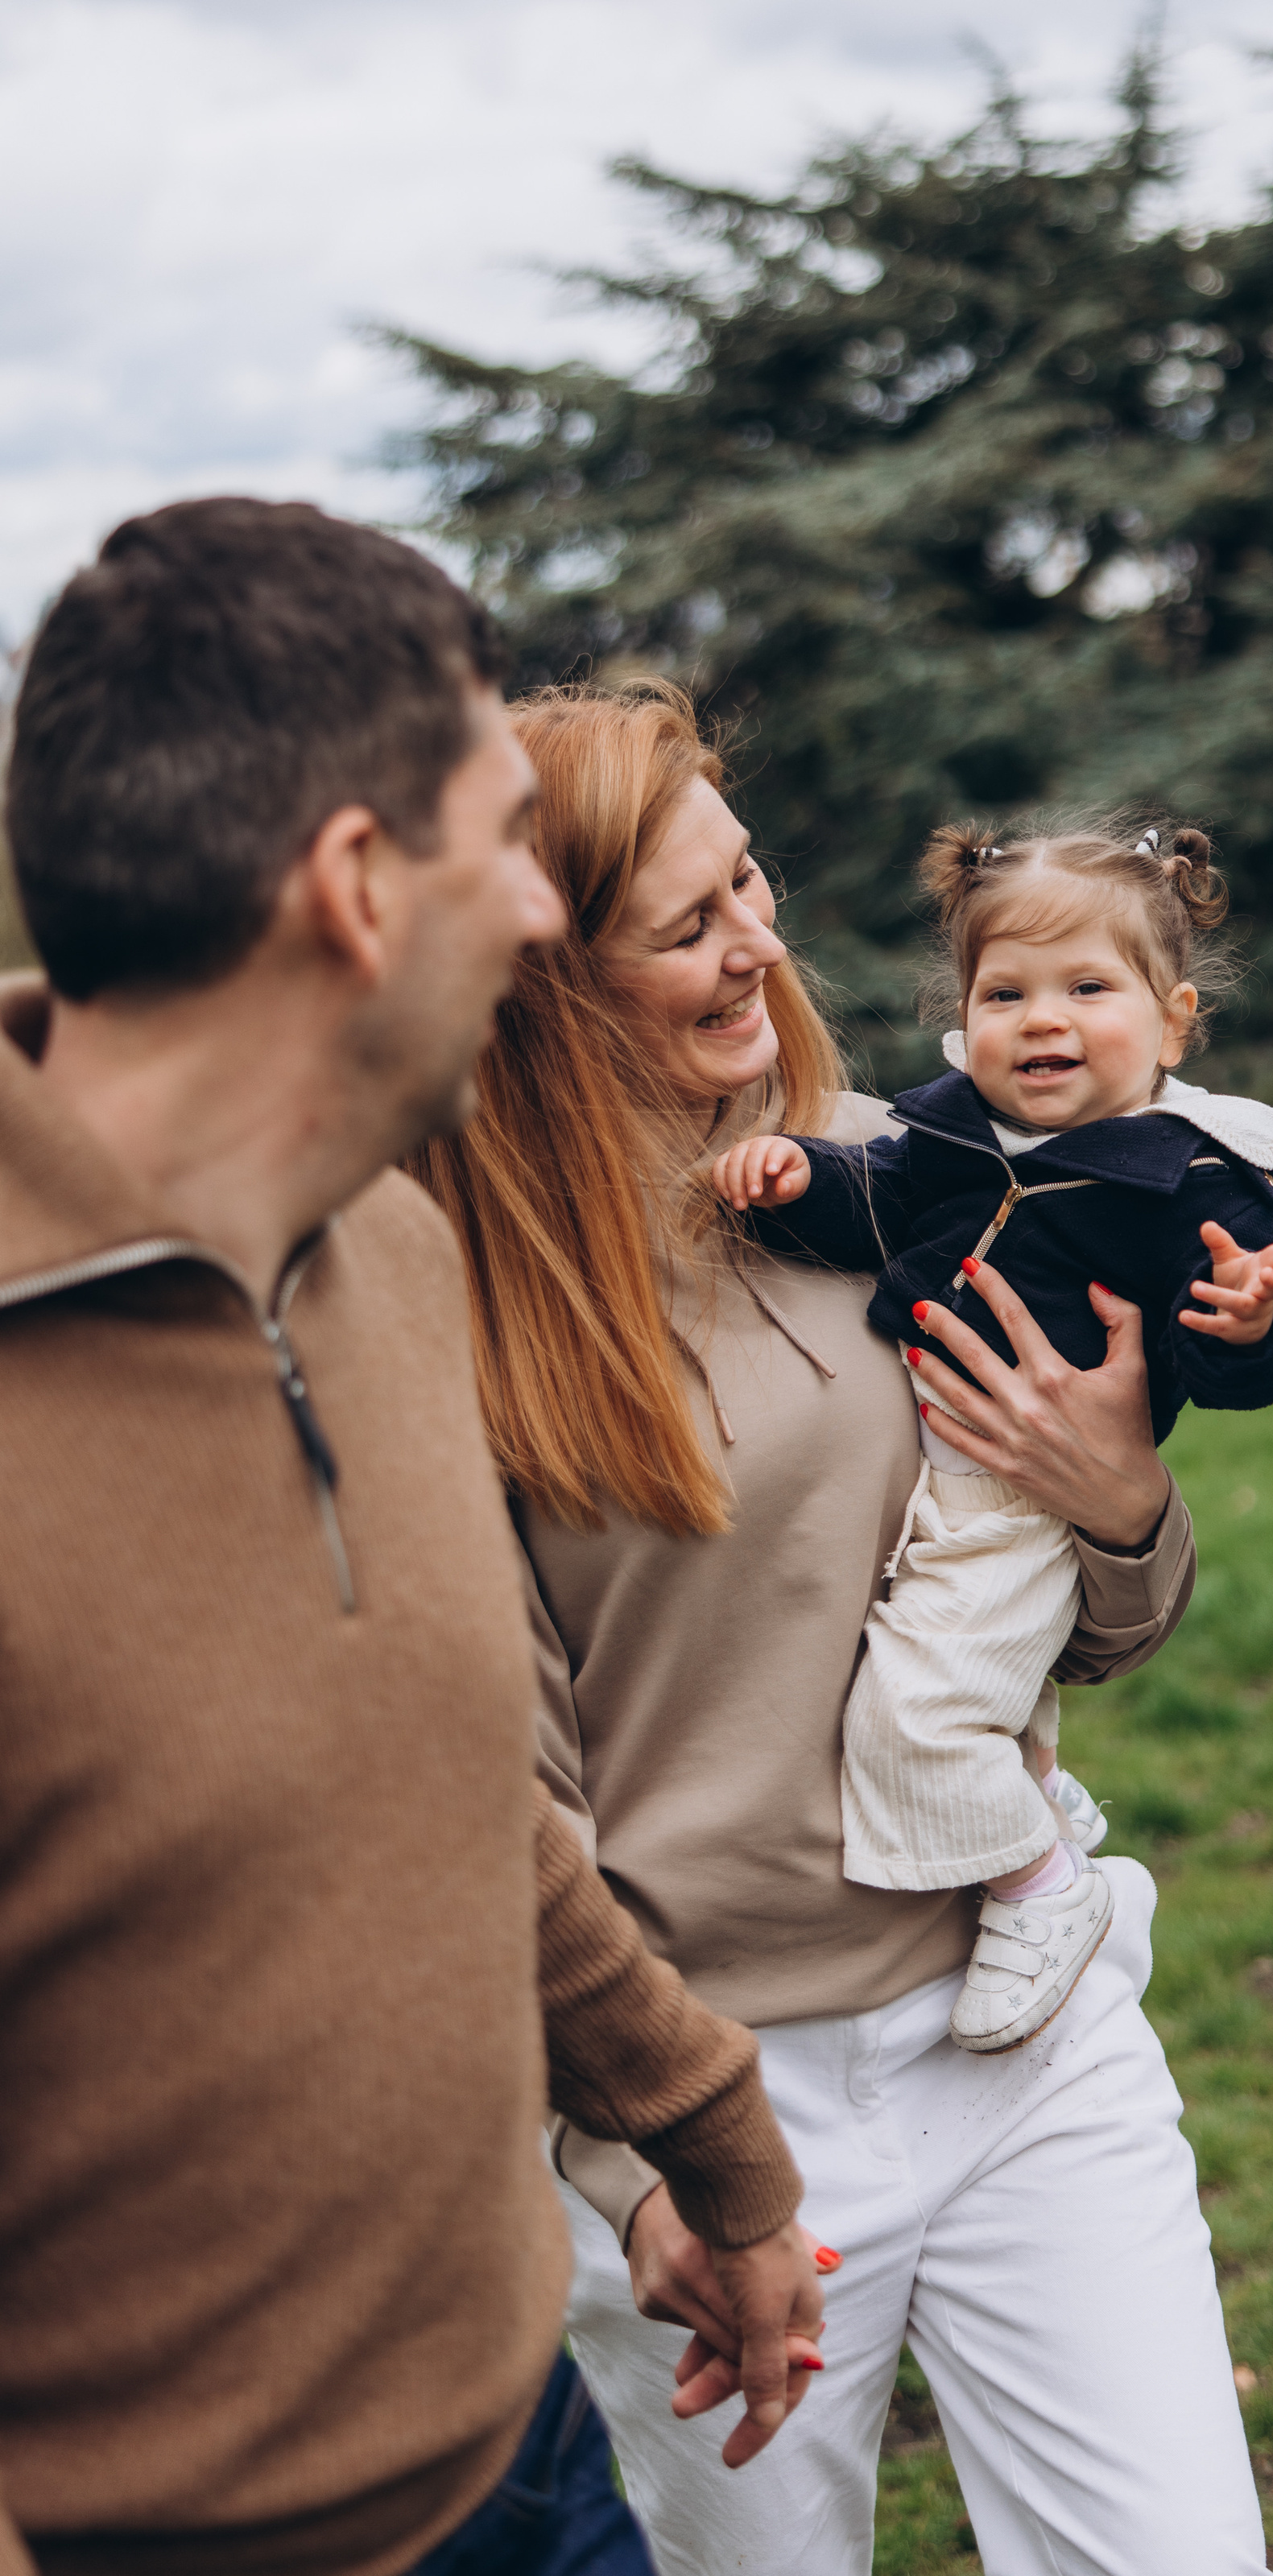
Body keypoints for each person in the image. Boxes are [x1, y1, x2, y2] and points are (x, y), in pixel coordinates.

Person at [0, 503, 823, 2576]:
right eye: (504, 842)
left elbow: (443, 1781)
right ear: (360, 890)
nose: (547, 916)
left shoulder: (385, 1251)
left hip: (526, 2459)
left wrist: (716, 2157)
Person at [407, 678, 1273, 2576]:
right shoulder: (455, 1319)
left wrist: (1120, 1502)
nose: (756, 947)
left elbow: (1077, 1621)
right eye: (688, 923)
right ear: (542, 967)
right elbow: (492, 1802)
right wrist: (647, 2159)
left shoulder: (915, 1171)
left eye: (755, 884)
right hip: (722, 2101)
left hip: (1016, 2017)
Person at [706, 818, 1273, 2054]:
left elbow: (1259, 1362)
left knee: (914, 1720)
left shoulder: (1194, 1181)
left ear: (1171, 1023)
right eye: (1006, 993)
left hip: (1023, 1503)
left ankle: (1041, 1893)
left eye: (1086, 989)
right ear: (963, 1016)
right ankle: (1033, 1800)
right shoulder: (949, 1138)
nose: (1043, 1020)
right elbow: (874, 1212)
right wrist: (798, 1179)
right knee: (925, 1673)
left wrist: (1243, 1321)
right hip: (930, 1479)